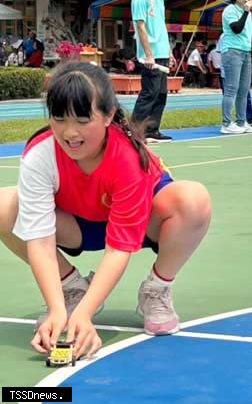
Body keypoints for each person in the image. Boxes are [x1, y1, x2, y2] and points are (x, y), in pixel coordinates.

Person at [0, 62, 211, 359]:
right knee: (4, 205)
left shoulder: (126, 157)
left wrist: (83, 316)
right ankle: (73, 288)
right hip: (78, 224)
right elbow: (40, 241)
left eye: (83, 119)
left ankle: (157, 288)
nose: (69, 132)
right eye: (58, 118)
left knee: (193, 199)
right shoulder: (40, 154)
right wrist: (59, 308)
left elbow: (118, 249)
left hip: (143, 223)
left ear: (109, 115)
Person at [131, 0, 175, 143]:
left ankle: (151, 130)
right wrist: (149, 55)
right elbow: (141, 27)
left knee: (161, 93)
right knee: (149, 93)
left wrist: (169, 52)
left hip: (162, 52)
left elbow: (160, 26)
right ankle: (134, 132)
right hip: (150, 55)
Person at [220, 0, 252, 134]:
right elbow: (236, 29)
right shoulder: (230, 10)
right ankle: (226, 123)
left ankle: (242, 122)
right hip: (232, 52)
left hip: (245, 52)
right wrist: (246, 12)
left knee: (244, 89)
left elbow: (251, 33)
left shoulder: (248, 12)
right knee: (231, 89)